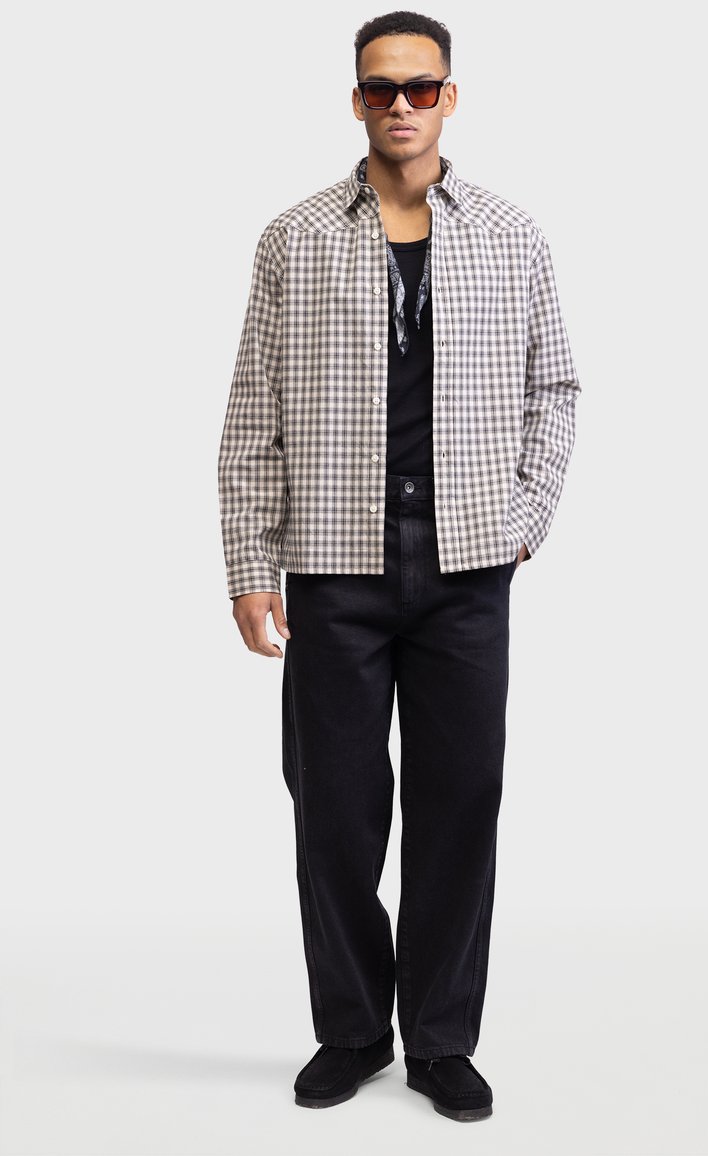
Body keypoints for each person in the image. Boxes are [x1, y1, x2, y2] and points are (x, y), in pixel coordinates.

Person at [217, 9, 581, 1122]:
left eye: (421, 87)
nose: (402, 105)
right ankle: (350, 1030)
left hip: (468, 570)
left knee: (459, 806)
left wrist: (523, 520)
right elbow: (252, 412)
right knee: (333, 810)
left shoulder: (510, 234)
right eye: (381, 88)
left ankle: (439, 1040)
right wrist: (250, 562)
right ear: (356, 101)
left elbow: (555, 388)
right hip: (335, 569)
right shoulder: (294, 238)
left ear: (450, 97)